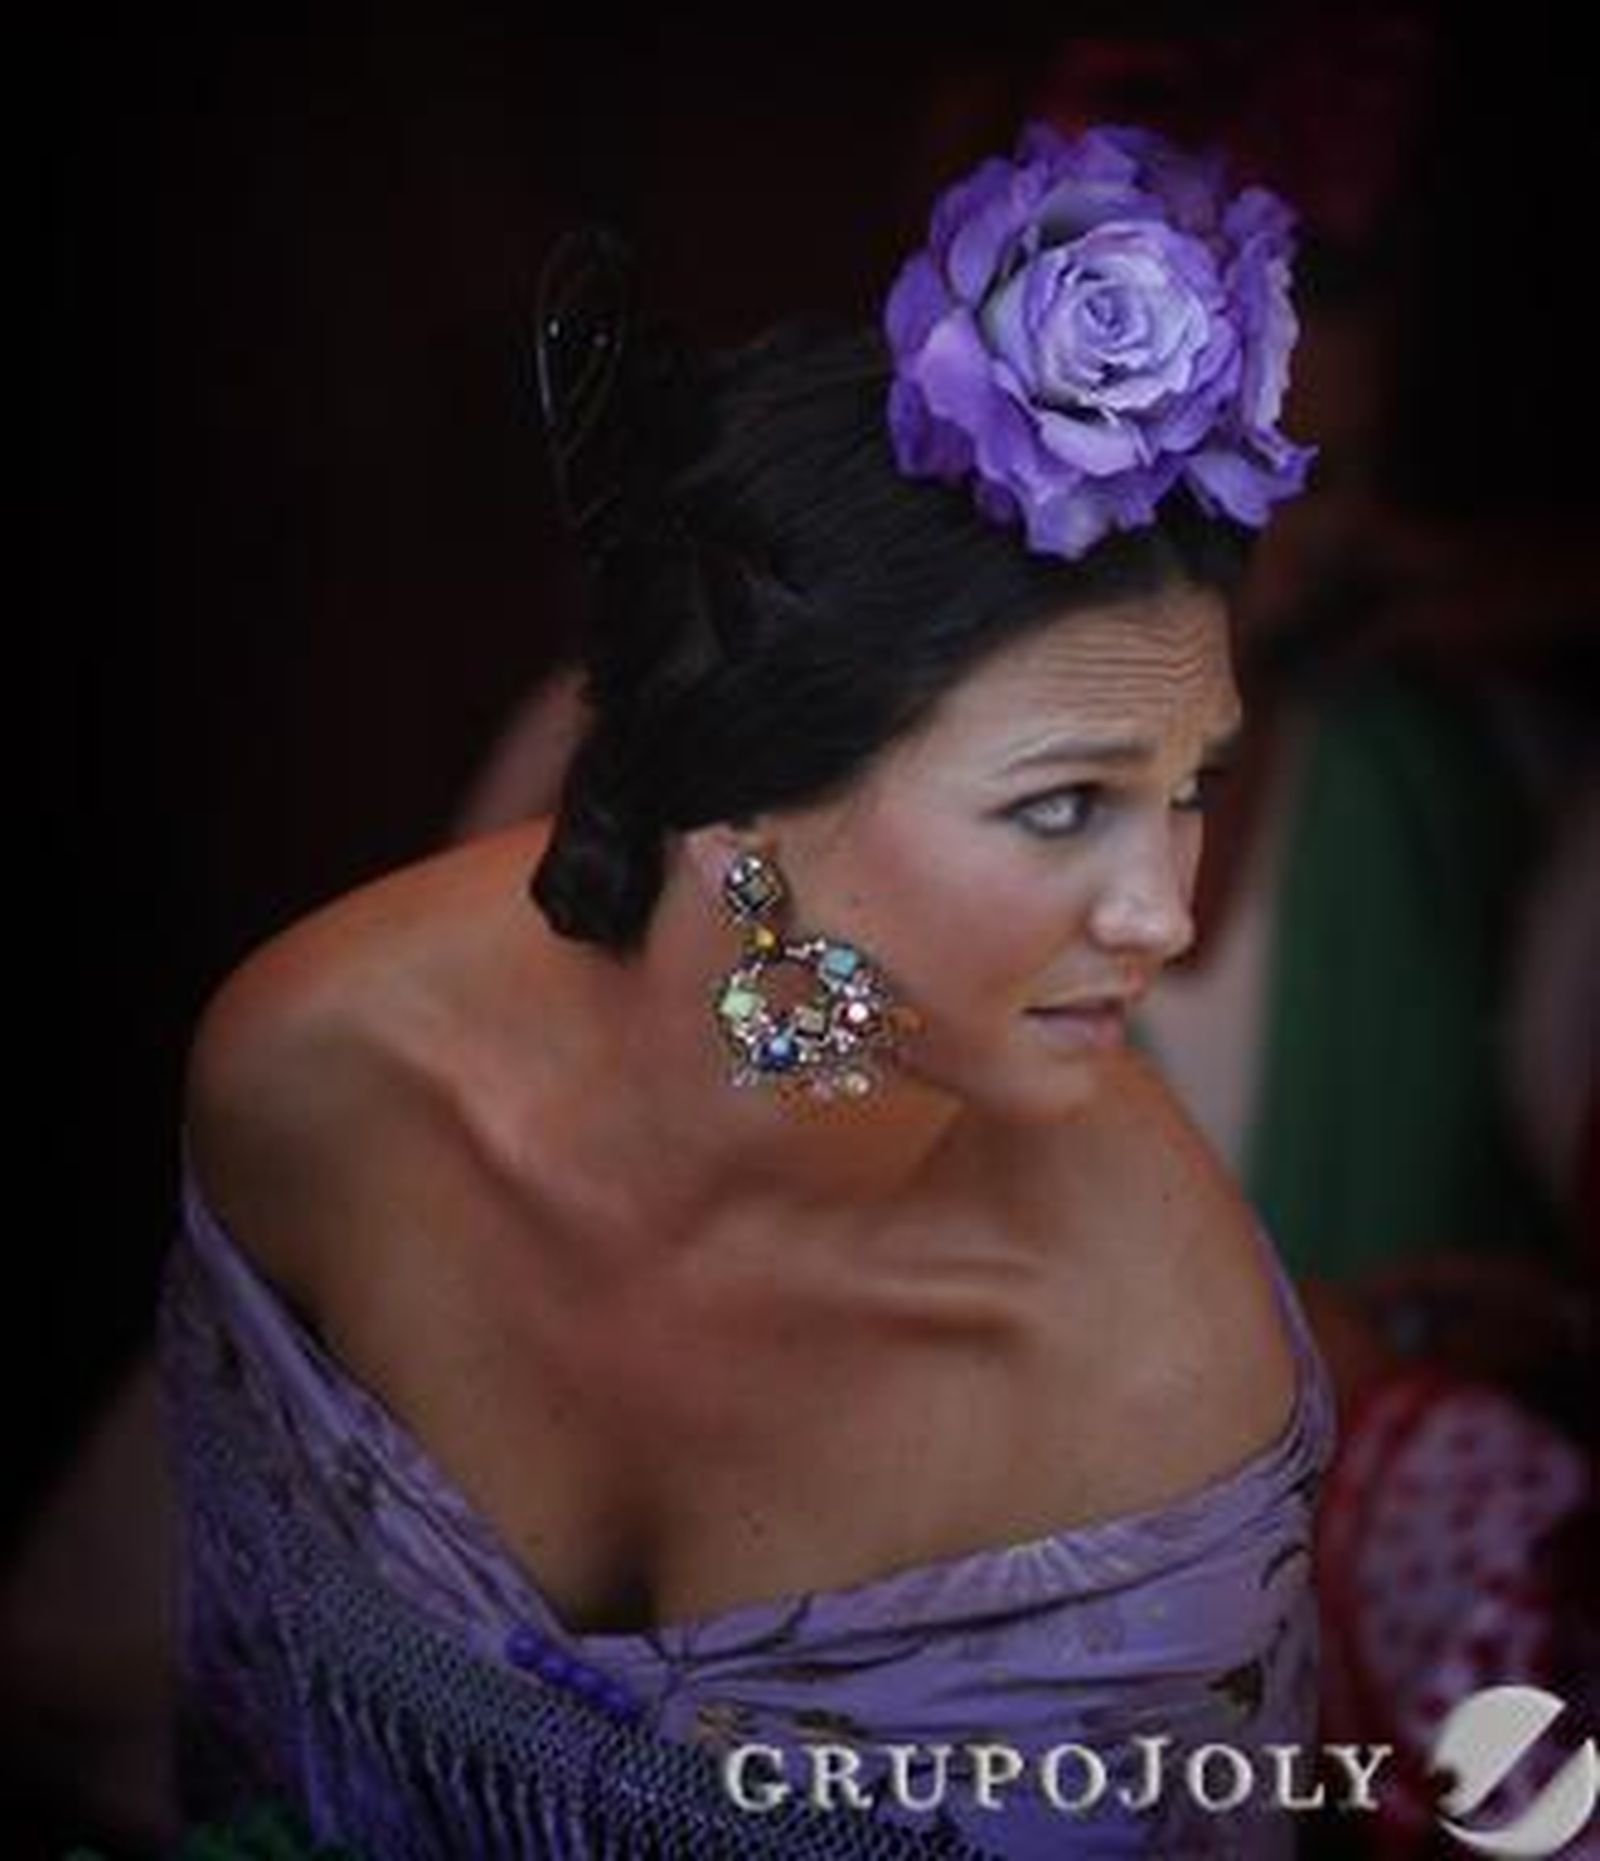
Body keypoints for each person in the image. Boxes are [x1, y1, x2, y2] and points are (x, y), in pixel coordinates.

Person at [158, 123, 1335, 1856]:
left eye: (1189, 785)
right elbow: (242, 1727)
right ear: (734, 818)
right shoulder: (321, 1078)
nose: (1165, 909)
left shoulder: (1155, 1389)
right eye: (1062, 804)